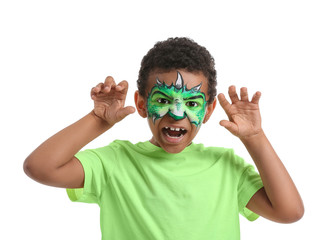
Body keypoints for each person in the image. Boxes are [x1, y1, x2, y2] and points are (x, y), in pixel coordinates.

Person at [24, 37, 304, 239]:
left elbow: (289, 212)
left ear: (208, 111)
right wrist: (97, 120)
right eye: (163, 100)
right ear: (142, 103)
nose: (177, 112)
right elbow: (40, 167)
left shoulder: (224, 165)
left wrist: (255, 137)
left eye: (192, 103)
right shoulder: (114, 162)